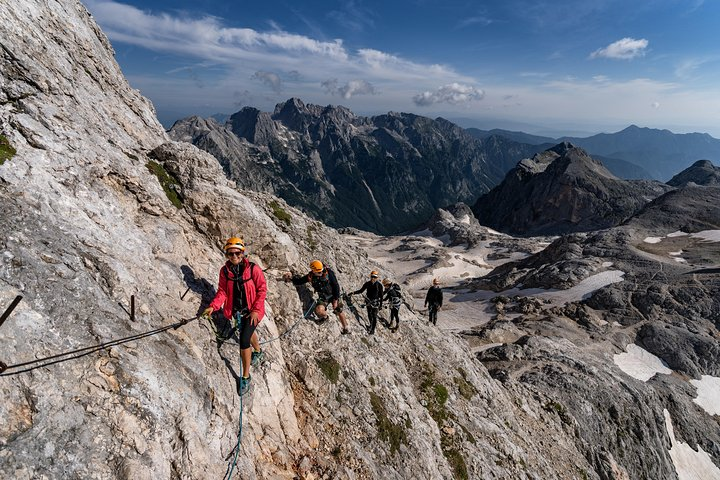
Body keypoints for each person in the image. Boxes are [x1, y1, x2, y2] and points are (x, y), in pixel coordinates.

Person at [202, 237, 267, 396]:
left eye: (237, 253)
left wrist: (256, 310)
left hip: (253, 311)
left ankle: (245, 376)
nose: (234, 256)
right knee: (247, 332)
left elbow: (262, 290)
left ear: (243, 253)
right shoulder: (225, 271)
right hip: (237, 311)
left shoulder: (253, 269)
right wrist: (213, 306)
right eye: (230, 254)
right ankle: (257, 351)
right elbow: (223, 292)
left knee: (244, 340)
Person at [283, 260, 350, 334]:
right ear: (313, 271)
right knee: (318, 310)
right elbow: (300, 281)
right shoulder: (311, 276)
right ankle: (325, 317)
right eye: (318, 272)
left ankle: (346, 327)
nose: (320, 273)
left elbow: (336, 286)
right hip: (323, 297)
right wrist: (291, 278)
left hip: (334, 294)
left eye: (320, 271)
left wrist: (335, 300)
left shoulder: (329, 273)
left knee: (338, 309)